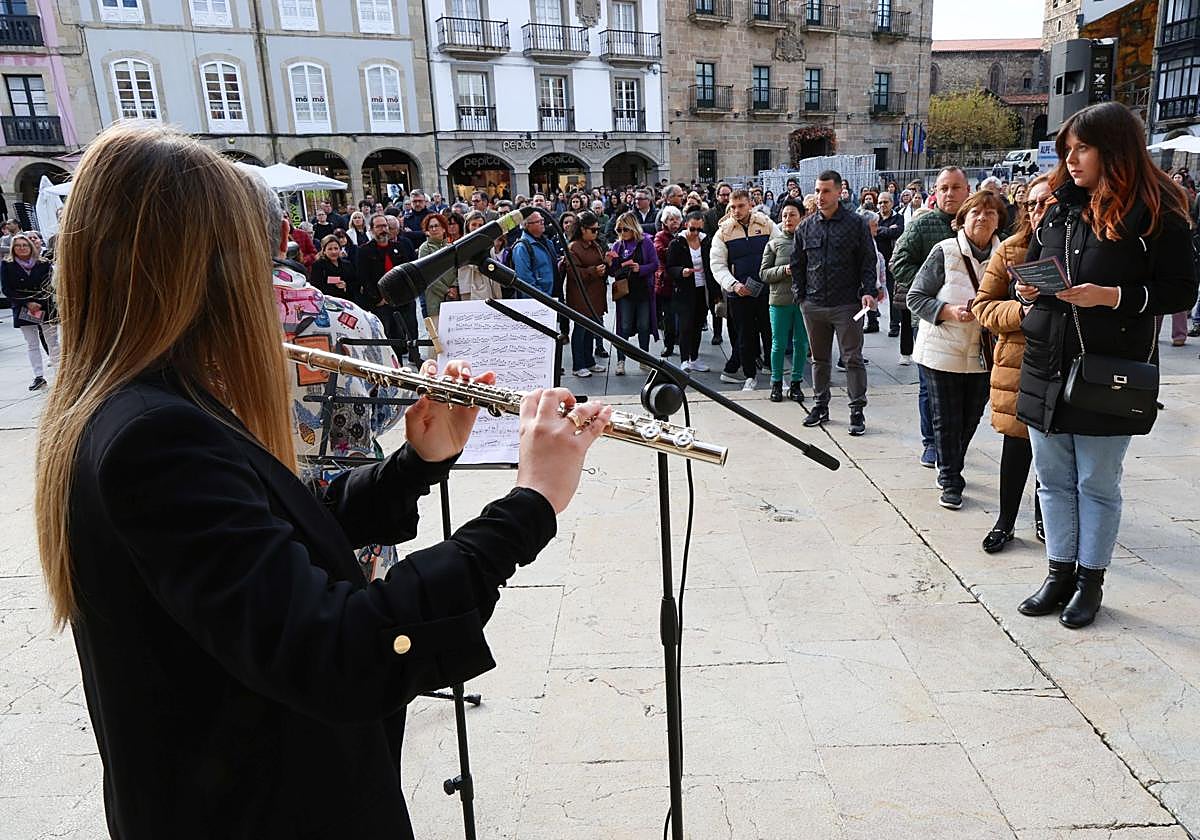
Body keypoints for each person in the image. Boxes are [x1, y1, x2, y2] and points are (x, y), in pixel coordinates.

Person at [33, 122, 613, 840]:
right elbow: (340, 652)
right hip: (257, 808)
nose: (267, 285)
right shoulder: (152, 436)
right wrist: (529, 505)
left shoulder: (156, 404)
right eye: (254, 262)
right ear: (201, 275)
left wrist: (415, 464)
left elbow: (276, 531)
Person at [1014, 102, 1197, 629]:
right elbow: (1043, 273)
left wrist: (1111, 296)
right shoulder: (1057, 204)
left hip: (1108, 371)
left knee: (1096, 480)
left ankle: (1089, 579)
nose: (1072, 160)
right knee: (1051, 478)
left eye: (1084, 149)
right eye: (1067, 150)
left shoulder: (1159, 208)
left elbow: (1181, 289)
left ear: (1115, 149)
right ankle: (1058, 573)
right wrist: (1029, 294)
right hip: (1047, 359)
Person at [907, 190, 1005, 510]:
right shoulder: (945, 252)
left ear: (998, 221)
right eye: (976, 212)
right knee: (946, 419)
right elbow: (916, 297)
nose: (982, 218)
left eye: (990, 213)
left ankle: (952, 463)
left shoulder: (1005, 256)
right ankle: (951, 478)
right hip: (941, 349)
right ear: (961, 219)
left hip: (983, 352)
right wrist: (948, 311)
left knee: (970, 418)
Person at [973, 175, 1051, 552]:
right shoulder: (1010, 251)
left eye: (1048, 203)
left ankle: (1045, 517)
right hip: (1019, 363)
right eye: (1033, 204)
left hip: (1064, 363)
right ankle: (1005, 520)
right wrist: (1022, 309)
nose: (1040, 211)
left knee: (1052, 452)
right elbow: (983, 307)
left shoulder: (1081, 249)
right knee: (1017, 446)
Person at [891, 166, 970, 465]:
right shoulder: (922, 225)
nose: (950, 194)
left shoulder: (979, 223)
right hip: (929, 319)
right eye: (943, 188)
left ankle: (956, 441)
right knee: (929, 388)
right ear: (935, 192)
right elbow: (898, 262)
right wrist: (932, 290)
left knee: (966, 391)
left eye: (956, 187)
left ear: (967, 191)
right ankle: (932, 442)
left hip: (970, 324)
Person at [790, 170, 880, 434]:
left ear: (840, 192)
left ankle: (856, 410)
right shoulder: (806, 226)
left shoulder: (856, 224)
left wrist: (868, 291)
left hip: (847, 305)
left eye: (826, 191)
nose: (820, 196)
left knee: (852, 358)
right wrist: (801, 296)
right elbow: (797, 264)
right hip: (814, 305)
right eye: (817, 191)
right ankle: (820, 405)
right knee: (819, 359)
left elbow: (868, 261)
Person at [710, 189, 777, 391]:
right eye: (733, 206)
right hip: (739, 293)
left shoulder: (766, 224)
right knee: (744, 336)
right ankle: (749, 376)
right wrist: (733, 285)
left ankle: (772, 369)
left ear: (750, 204)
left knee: (770, 331)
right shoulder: (723, 232)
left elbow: (780, 249)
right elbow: (717, 265)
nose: (736, 210)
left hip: (766, 290)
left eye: (740, 206)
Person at [356, 211, 421, 366]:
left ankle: (416, 358)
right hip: (382, 302)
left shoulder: (400, 246)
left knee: (411, 329)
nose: (383, 229)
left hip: (404, 298)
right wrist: (378, 298)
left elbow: (409, 270)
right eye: (378, 226)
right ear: (371, 230)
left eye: (385, 225)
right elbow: (364, 278)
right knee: (390, 333)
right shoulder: (364, 251)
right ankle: (395, 364)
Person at [759, 199, 807, 403]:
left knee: (801, 344)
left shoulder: (810, 240)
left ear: (801, 217)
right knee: (777, 344)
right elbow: (763, 273)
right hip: (779, 300)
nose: (788, 219)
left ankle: (796, 382)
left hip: (804, 301)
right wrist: (784, 270)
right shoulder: (774, 244)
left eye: (793, 214)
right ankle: (776, 383)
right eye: (785, 215)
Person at [2, 232, 58, 390]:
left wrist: (38, 302)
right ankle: (38, 376)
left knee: (52, 342)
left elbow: (50, 286)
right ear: (13, 248)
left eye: (25, 245)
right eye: (18, 246)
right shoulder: (7, 265)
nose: (22, 248)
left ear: (31, 246)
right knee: (32, 344)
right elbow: (7, 289)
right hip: (23, 309)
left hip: (45, 307)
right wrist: (27, 303)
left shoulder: (43, 263)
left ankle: (60, 373)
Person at [607, 211, 659, 375]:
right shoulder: (617, 246)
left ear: (633, 228)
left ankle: (644, 359)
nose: (622, 233)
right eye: (619, 230)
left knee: (644, 326)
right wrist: (610, 263)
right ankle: (620, 360)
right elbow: (612, 272)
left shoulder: (646, 243)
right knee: (624, 326)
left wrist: (640, 268)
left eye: (625, 229)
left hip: (643, 290)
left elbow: (655, 264)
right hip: (625, 292)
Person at [563, 210, 610, 377]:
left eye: (597, 229)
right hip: (580, 295)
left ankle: (589, 361)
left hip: (595, 294)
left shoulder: (594, 244)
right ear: (583, 229)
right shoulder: (573, 247)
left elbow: (598, 264)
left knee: (591, 329)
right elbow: (574, 272)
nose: (596, 232)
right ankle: (578, 365)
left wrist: (606, 263)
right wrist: (594, 271)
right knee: (580, 330)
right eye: (593, 230)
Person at [665, 210, 711, 373]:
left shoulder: (706, 241)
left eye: (699, 229)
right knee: (685, 326)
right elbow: (669, 268)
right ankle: (685, 360)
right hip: (684, 289)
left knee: (698, 324)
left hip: (702, 289)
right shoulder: (677, 243)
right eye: (692, 229)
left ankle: (694, 357)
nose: (695, 233)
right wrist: (681, 271)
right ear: (686, 226)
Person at [416, 213, 458, 328]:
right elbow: (426, 274)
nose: (434, 229)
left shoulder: (450, 247)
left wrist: (454, 287)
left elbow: (456, 269)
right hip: (434, 299)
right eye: (431, 227)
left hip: (453, 298)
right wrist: (446, 291)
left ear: (444, 228)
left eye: (437, 226)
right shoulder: (425, 248)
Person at [654, 205, 683, 357]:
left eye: (677, 219)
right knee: (669, 317)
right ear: (665, 222)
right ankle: (669, 345)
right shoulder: (660, 236)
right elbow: (660, 252)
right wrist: (676, 248)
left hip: (683, 281)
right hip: (667, 282)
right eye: (671, 219)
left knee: (684, 316)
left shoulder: (685, 234)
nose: (675, 222)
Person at [456, 211, 504, 302]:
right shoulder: (461, 245)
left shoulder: (489, 244)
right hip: (469, 287)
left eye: (480, 225)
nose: (477, 228)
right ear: (468, 226)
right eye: (474, 224)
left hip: (488, 286)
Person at [875, 192, 905, 338]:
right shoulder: (875, 217)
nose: (882, 205)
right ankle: (872, 322)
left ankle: (894, 325)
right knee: (871, 292)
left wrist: (881, 231)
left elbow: (897, 232)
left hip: (891, 261)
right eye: (880, 202)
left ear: (892, 203)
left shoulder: (899, 218)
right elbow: (871, 232)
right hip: (874, 262)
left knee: (894, 294)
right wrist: (887, 231)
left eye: (885, 202)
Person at [511, 211, 558, 299]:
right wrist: (544, 299)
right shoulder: (522, 247)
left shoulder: (548, 242)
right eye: (538, 221)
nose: (542, 223)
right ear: (527, 225)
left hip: (554, 297)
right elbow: (525, 280)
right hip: (540, 302)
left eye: (542, 220)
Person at [309, 233, 359, 302]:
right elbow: (316, 287)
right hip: (328, 302)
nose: (334, 252)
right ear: (324, 251)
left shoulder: (347, 264)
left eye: (336, 248)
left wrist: (346, 286)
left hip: (348, 302)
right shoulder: (318, 265)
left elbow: (355, 283)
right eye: (330, 249)